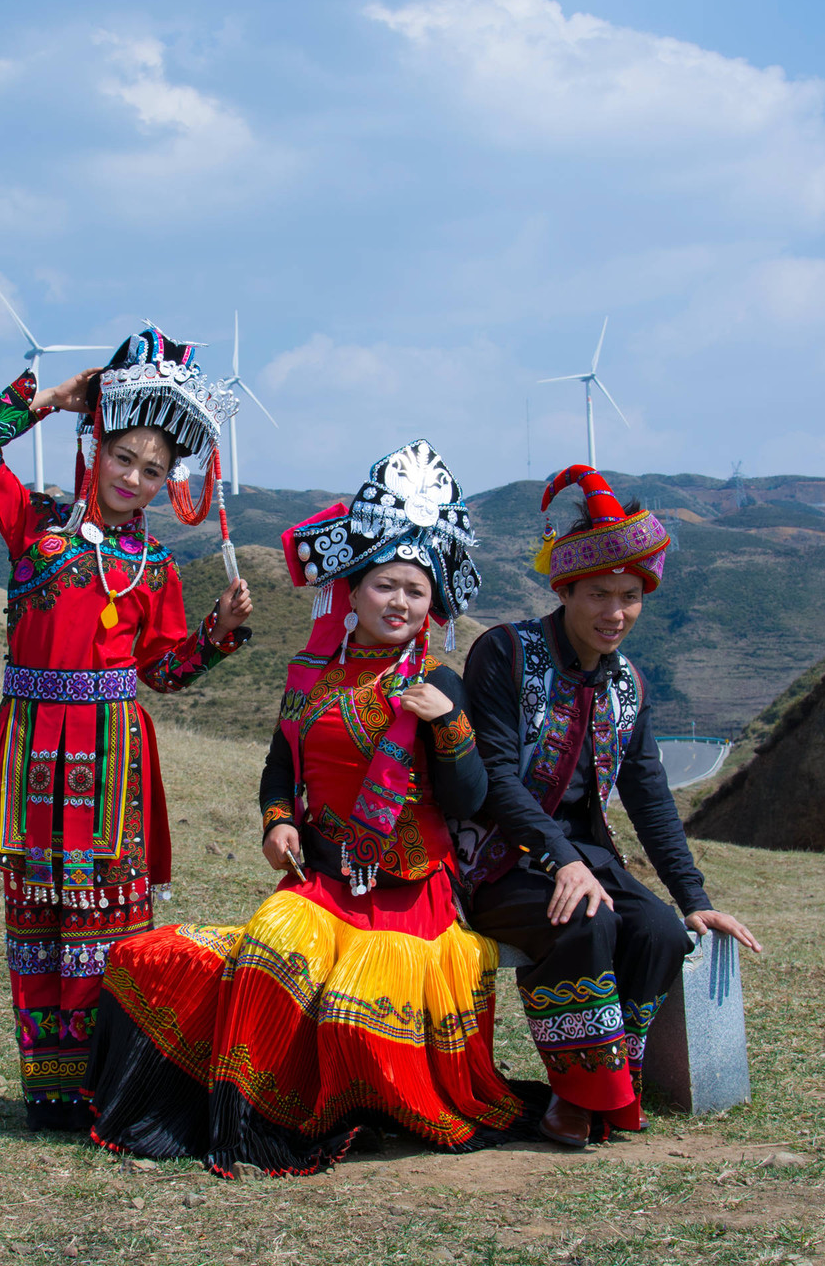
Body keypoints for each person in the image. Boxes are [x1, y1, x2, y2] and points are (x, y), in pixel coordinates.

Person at [88, 441, 540, 1176]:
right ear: (353, 592)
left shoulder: (438, 680)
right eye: (387, 586)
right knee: (265, 953)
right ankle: (255, 1111)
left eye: (417, 592)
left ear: (433, 604)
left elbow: (471, 800)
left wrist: (446, 727)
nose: (400, 603)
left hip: (410, 899)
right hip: (322, 882)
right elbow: (280, 767)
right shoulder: (310, 675)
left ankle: (354, 1101)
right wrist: (279, 824)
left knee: (349, 999)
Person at [0, 325, 255, 1131]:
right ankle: (47, 1090)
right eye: (124, 457)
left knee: (103, 920)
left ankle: (101, 1086)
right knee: (35, 916)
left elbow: (163, 672)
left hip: (112, 756)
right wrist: (51, 397)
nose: (134, 477)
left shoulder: (155, 568)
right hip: (32, 748)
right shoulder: (35, 523)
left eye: (153, 470)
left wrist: (217, 635)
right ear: (97, 442)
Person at [455, 465, 762, 1148]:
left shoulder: (628, 685)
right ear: (565, 589)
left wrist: (693, 895)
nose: (614, 612)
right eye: (598, 593)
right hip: (498, 860)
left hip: (585, 860)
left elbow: (648, 794)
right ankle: (580, 1095)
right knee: (586, 918)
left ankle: (607, 1082)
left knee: (656, 930)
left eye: (629, 596)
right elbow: (500, 779)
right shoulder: (505, 653)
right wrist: (560, 858)